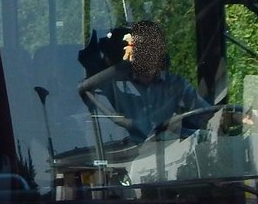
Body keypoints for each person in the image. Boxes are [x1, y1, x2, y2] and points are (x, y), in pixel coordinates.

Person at [78, 20, 213, 141]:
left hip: (172, 157)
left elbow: (207, 116)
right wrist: (117, 69)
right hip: (127, 158)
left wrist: (224, 119)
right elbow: (84, 91)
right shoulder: (112, 86)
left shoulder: (176, 84)